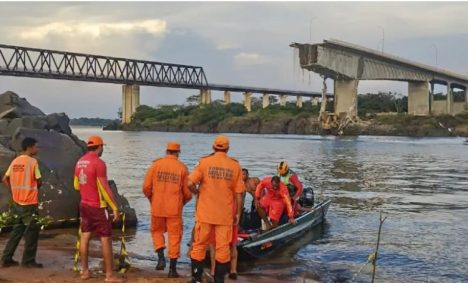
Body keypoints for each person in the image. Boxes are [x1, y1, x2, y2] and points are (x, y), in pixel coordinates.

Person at [188, 135, 245, 283]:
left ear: (213, 147)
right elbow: (239, 193)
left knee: (199, 246)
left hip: (205, 214)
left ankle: (196, 278)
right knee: (223, 249)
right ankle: (219, 280)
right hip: (224, 216)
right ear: (227, 149)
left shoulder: (204, 162)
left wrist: (196, 192)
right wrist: (238, 213)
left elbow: (189, 183)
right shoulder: (235, 166)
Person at [73, 135, 123, 282]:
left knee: (85, 237)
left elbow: (76, 185)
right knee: (106, 239)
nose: (103, 150)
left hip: (84, 204)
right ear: (99, 147)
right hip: (98, 206)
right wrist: (114, 207)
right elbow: (104, 187)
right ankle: (109, 276)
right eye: (102, 147)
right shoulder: (99, 163)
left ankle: (85, 272)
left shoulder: (80, 162)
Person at [142, 142, 192, 278]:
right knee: (174, 237)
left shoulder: (155, 165)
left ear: (167, 151)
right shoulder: (182, 168)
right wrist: (182, 203)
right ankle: (172, 270)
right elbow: (188, 193)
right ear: (178, 153)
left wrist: (152, 199)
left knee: (156, 232)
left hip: (157, 207)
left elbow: (146, 187)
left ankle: (160, 257)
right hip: (174, 209)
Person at [1, 137, 43, 268]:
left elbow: (4, 179)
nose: (37, 149)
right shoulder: (32, 162)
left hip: (17, 201)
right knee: (32, 231)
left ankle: (6, 257)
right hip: (29, 202)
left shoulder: (15, 161)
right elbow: (39, 181)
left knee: (17, 230)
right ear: (29, 147)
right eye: (36, 146)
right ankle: (28, 261)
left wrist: (13, 192)